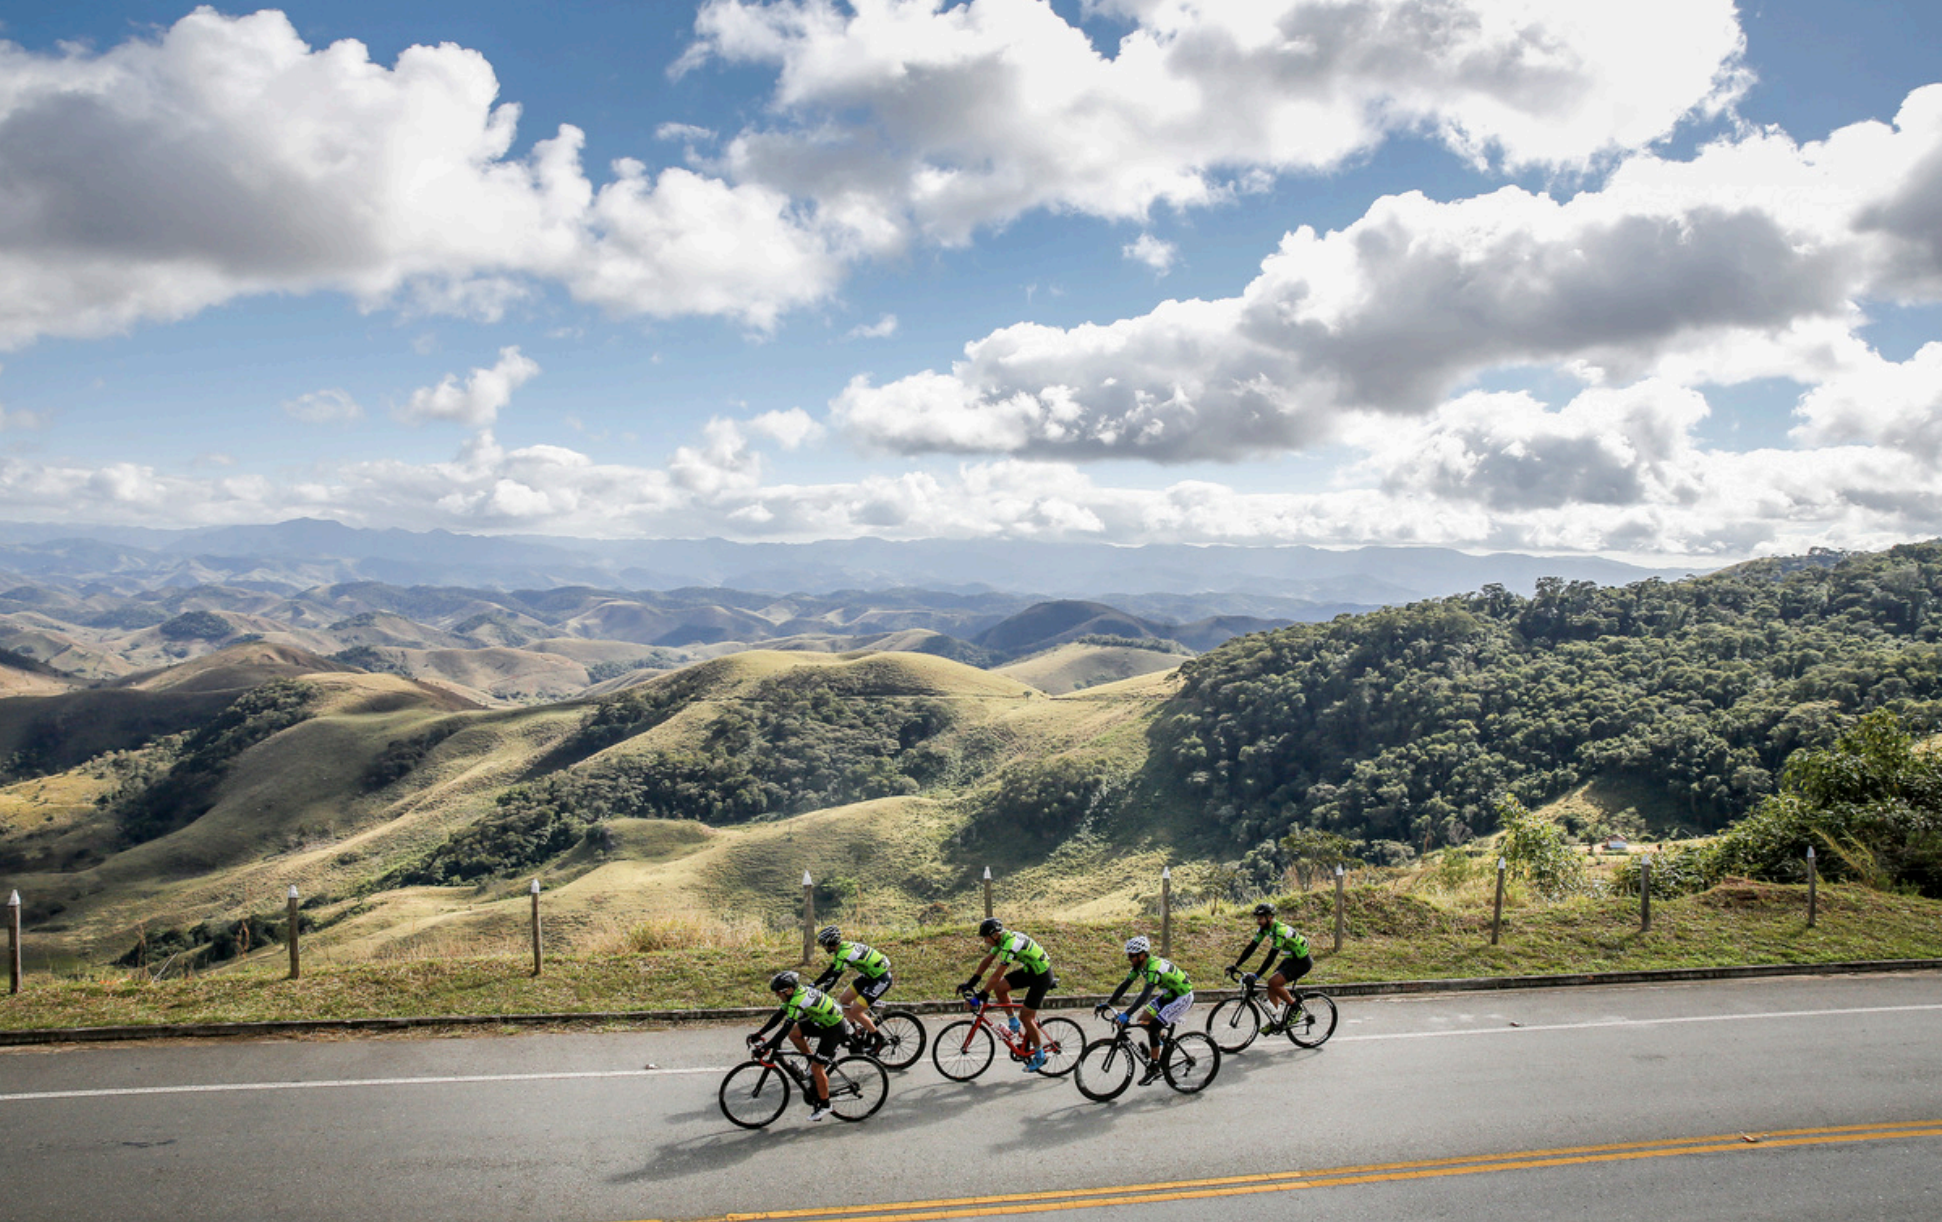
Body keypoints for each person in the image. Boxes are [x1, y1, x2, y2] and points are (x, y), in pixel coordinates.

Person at [746, 969, 851, 1121]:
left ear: (789, 989)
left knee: (817, 1068)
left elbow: (784, 1028)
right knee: (794, 1033)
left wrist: (765, 1047)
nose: (777, 995)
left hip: (834, 1028)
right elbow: (778, 1016)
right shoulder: (795, 994)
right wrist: (759, 1033)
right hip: (823, 1022)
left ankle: (825, 1105)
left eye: (778, 992)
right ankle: (810, 1062)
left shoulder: (798, 1000)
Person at [960, 917, 1056, 1073]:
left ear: (994, 935)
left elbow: (997, 973)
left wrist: (983, 994)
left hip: (1042, 976)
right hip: (1031, 970)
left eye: (986, 937)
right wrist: (971, 982)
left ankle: (1040, 1055)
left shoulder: (1011, 944)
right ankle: (1013, 1023)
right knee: (1000, 988)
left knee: (1026, 1016)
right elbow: (987, 960)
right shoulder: (1002, 940)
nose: (985, 941)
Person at [1097, 935, 1195, 1085]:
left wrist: (1127, 1014)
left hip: (1182, 998)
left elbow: (1144, 996)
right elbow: (1125, 984)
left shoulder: (1153, 968)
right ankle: (1162, 1043)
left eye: (1132, 956)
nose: (1129, 959)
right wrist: (1108, 1003)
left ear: (1142, 955)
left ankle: (1154, 1068)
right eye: (1128, 955)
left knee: (1154, 1027)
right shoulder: (1140, 966)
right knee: (1143, 1019)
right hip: (1170, 995)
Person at [1227, 902, 1312, 1033]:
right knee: (1271, 985)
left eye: (1260, 918)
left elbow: (1271, 957)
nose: (1258, 921)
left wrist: (1256, 976)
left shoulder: (1280, 931)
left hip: (1301, 962)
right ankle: (1275, 1020)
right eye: (1257, 918)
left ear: (1270, 917)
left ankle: (1295, 1007)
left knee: (1274, 982)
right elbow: (1251, 947)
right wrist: (1235, 965)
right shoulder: (1264, 929)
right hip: (1291, 958)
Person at [811, 925, 892, 1053]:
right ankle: (857, 1032)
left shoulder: (844, 953)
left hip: (880, 978)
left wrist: (822, 992)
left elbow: (835, 977)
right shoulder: (841, 949)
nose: (823, 947)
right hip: (868, 976)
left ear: (831, 943)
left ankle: (880, 1039)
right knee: (844, 1000)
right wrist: (813, 984)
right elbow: (830, 971)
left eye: (824, 944)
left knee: (855, 1010)